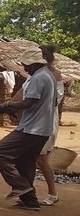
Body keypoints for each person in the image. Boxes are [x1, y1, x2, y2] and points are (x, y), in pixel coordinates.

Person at [0, 48, 56, 211]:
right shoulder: (49, 76)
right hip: (43, 129)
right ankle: (30, 201)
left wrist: (9, 105)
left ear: (34, 64)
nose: (24, 68)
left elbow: (29, 103)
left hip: (32, 128)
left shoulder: (38, 78)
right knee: (25, 162)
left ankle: (20, 185)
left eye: (26, 65)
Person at [34, 44, 64, 206]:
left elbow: (52, 101)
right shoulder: (45, 74)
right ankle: (27, 189)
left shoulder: (51, 76)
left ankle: (53, 193)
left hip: (45, 121)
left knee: (41, 158)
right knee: (33, 157)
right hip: (40, 120)